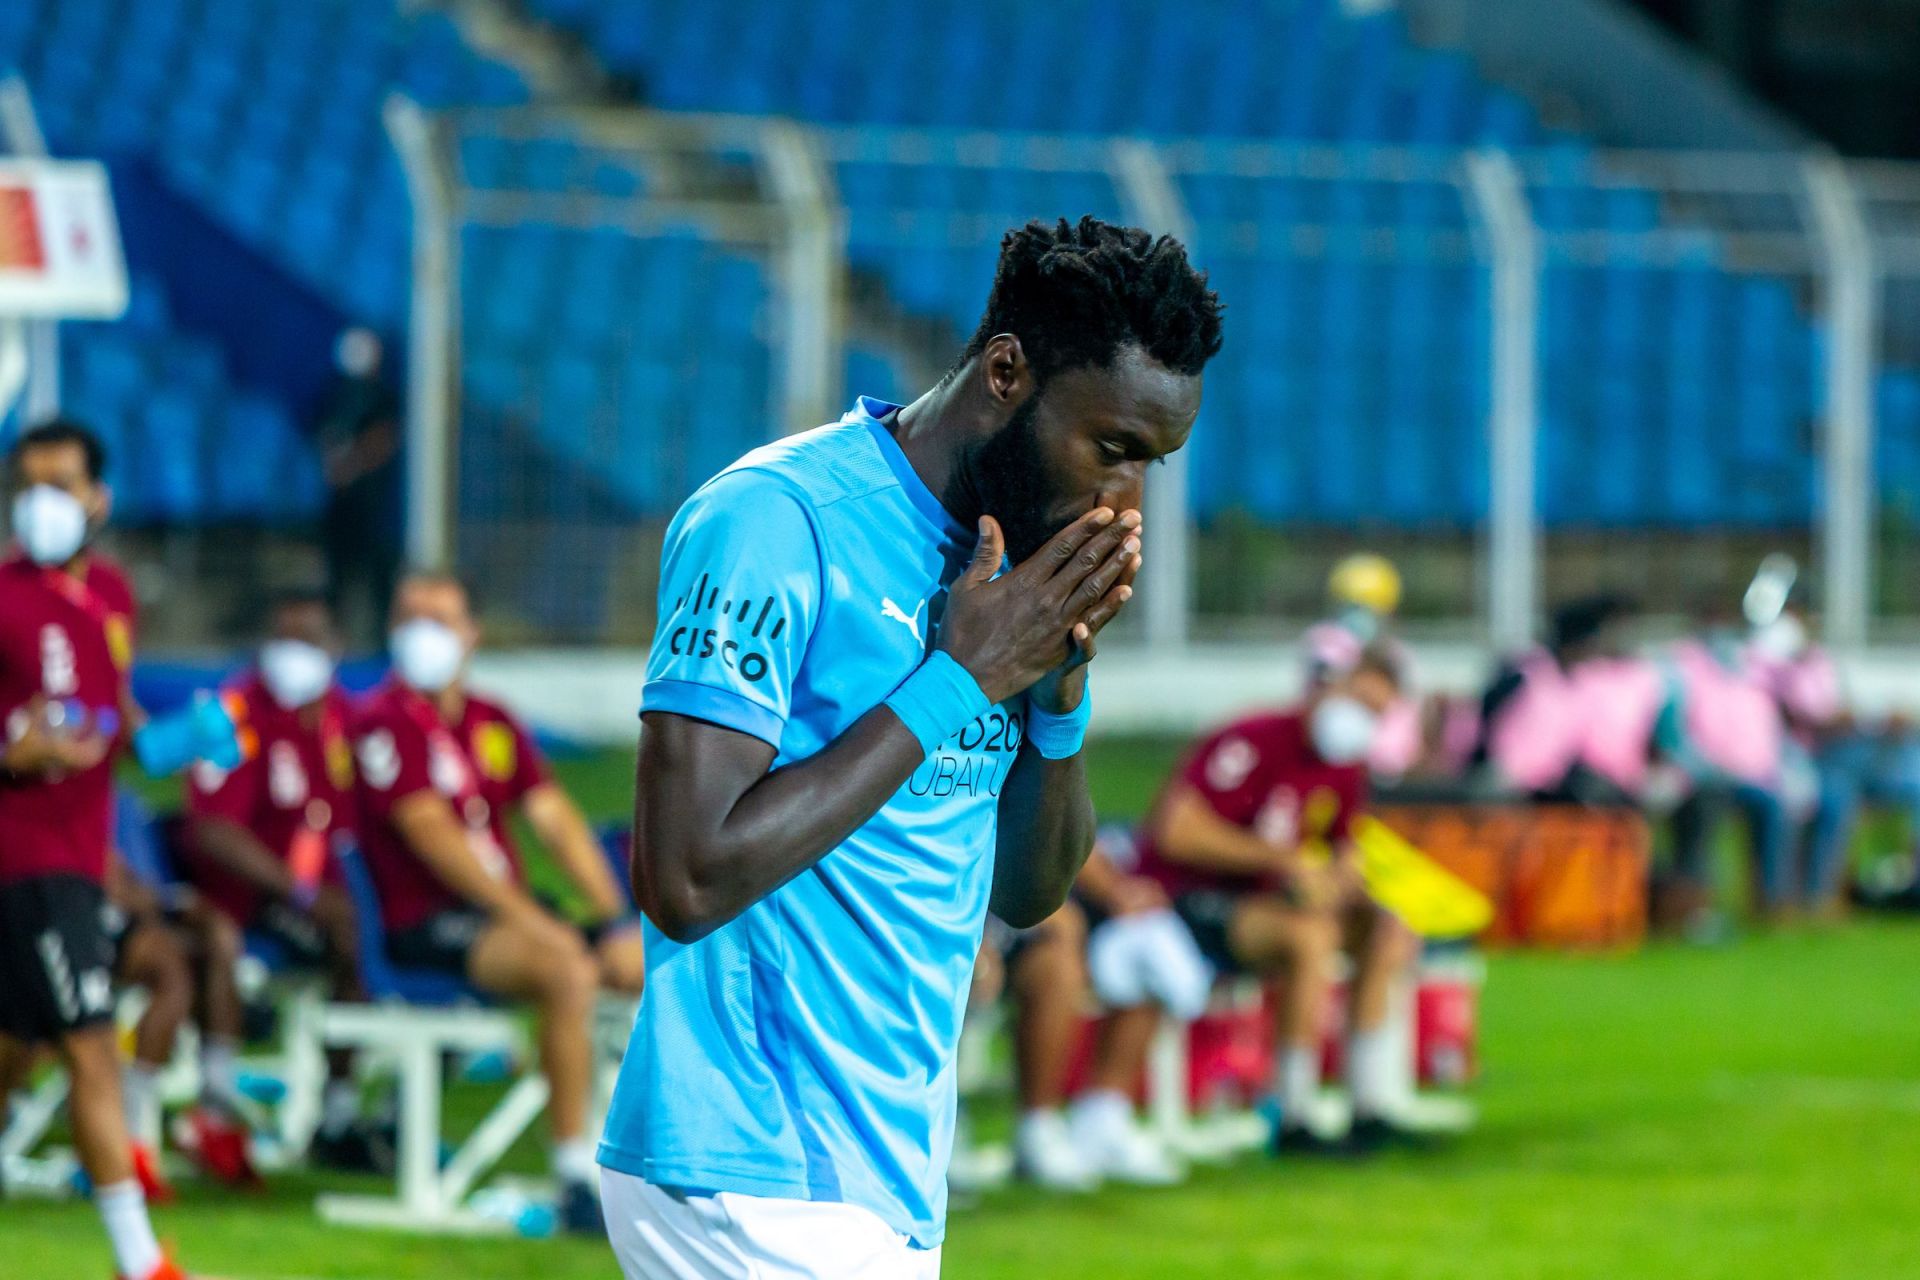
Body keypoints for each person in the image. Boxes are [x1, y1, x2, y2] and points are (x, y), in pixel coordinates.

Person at [604, 216, 1222, 1278]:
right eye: (1112, 448)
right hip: (748, 1162)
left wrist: (1058, 686)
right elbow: (684, 875)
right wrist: (959, 680)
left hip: (881, 1175)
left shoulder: (1014, 574)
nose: (1124, 501)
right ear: (1006, 370)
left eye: (1153, 464)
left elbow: (1029, 892)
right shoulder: (775, 520)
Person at [351, 570, 644, 1233]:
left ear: (471, 635)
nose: (420, 634)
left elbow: (555, 821)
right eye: (408, 618)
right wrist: (536, 922)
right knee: (564, 968)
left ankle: (652, 1163)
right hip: (427, 921)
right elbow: (432, 838)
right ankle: (572, 1174)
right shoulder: (382, 722)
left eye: (438, 620)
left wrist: (613, 916)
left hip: (506, 916)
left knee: (644, 965)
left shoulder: (491, 721)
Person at [0, 421, 194, 1279]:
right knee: (87, 1040)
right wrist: (13, 755)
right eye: (28, 484)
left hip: (81, 854)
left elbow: (112, 718)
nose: (41, 502)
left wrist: (191, 738)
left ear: (97, 499)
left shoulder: (111, 595)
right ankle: (139, 1261)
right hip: (23, 856)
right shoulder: (2, 596)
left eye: (59, 484)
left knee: (16, 1047)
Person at [1131, 646, 1424, 1155]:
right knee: (1310, 937)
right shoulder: (1255, 738)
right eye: (1359, 701)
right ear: (1329, 687)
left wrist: (1340, 880)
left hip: (1267, 904)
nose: (1362, 721)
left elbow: (1340, 849)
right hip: (1189, 900)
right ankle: (1294, 1112)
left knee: (1388, 928)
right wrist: (1284, 862)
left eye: (1377, 714)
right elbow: (1176, 832)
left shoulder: (1345, 767)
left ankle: (1370, 1105)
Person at [178, 589, 386, 1170]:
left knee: (376, 923)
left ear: (336, 649)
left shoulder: (349, 719)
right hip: (244, 898)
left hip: (320, 896)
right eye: (283, 640)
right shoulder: (230, 712)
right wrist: (299, 891)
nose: (293, 655)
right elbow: (211, 830)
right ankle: (221, 1108)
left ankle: (347, 1112)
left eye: (308, 641)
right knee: (349, 930)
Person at [316, 327, 402, 651]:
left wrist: (354, 463)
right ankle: (333, 640)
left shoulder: (382, 398)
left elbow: (385, 438)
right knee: (338, 576)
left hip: (374, 506)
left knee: (379, 577)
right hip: (341, 504)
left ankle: (384, 642)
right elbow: (322, 436)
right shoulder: (332, 395)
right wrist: (336, 466)